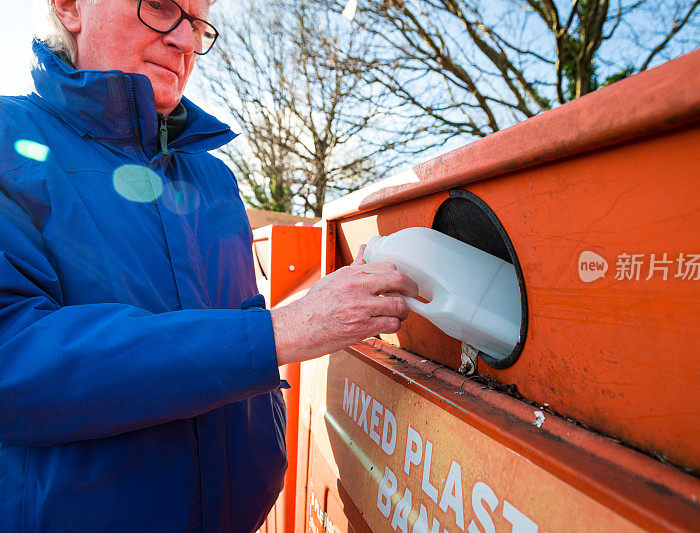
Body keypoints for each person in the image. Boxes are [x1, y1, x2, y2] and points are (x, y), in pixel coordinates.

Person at [0, 0, 418, 531]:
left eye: (197, 22)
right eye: (158, 5)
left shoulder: (214, 179)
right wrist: (278, 332)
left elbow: (228, 327)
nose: (185, 40)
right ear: (69, 7)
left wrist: (308, 312)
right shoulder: (7, 139)